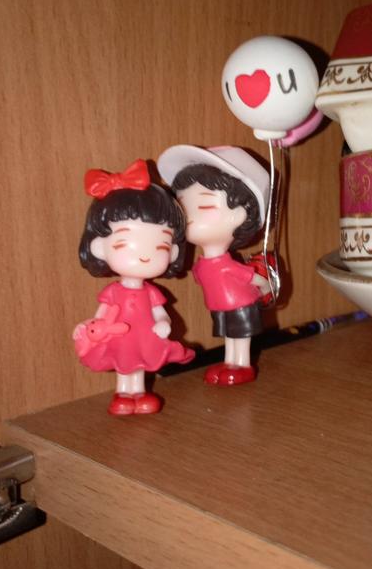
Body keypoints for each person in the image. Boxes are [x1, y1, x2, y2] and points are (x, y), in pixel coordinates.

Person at [74, 159, 194, 415]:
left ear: (172, 251)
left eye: (160, 246)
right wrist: (93, 329)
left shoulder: (151, 292)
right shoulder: (113, 292)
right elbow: (101, 315)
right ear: (99, 247)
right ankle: (123, 393)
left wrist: (164, 323)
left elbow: (160, 313)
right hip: (120, 337)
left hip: (144, 336)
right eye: (124, 243)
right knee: (123, 361)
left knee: (139, 362)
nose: (145, 256)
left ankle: (139, 392)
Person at [158, 145, 270, 386]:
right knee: (229, 335)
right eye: (183, 208)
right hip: (219, 306)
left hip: (241, 304)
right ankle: (230, 362)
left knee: (240, 336)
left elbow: (252, 278)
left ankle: (242, 364)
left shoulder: (226, 264)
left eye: (203, 206)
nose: (188, 217)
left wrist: (266, 287)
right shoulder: (202, 264)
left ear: (238, 215)